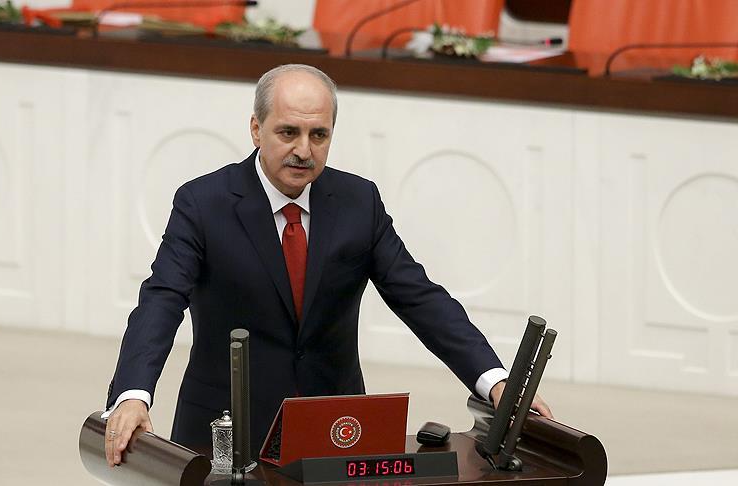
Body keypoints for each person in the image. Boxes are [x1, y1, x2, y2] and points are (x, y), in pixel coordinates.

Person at [103, 64, 551, 467]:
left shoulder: (359, 202)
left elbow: (419, 297)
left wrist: (496, 381)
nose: (304, 150)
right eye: (288, 132)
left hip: (337, 431)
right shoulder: (203, 203)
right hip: (227, 432)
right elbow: (162, 299)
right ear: (256, 129)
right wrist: (133, 393)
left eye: (319, 135)